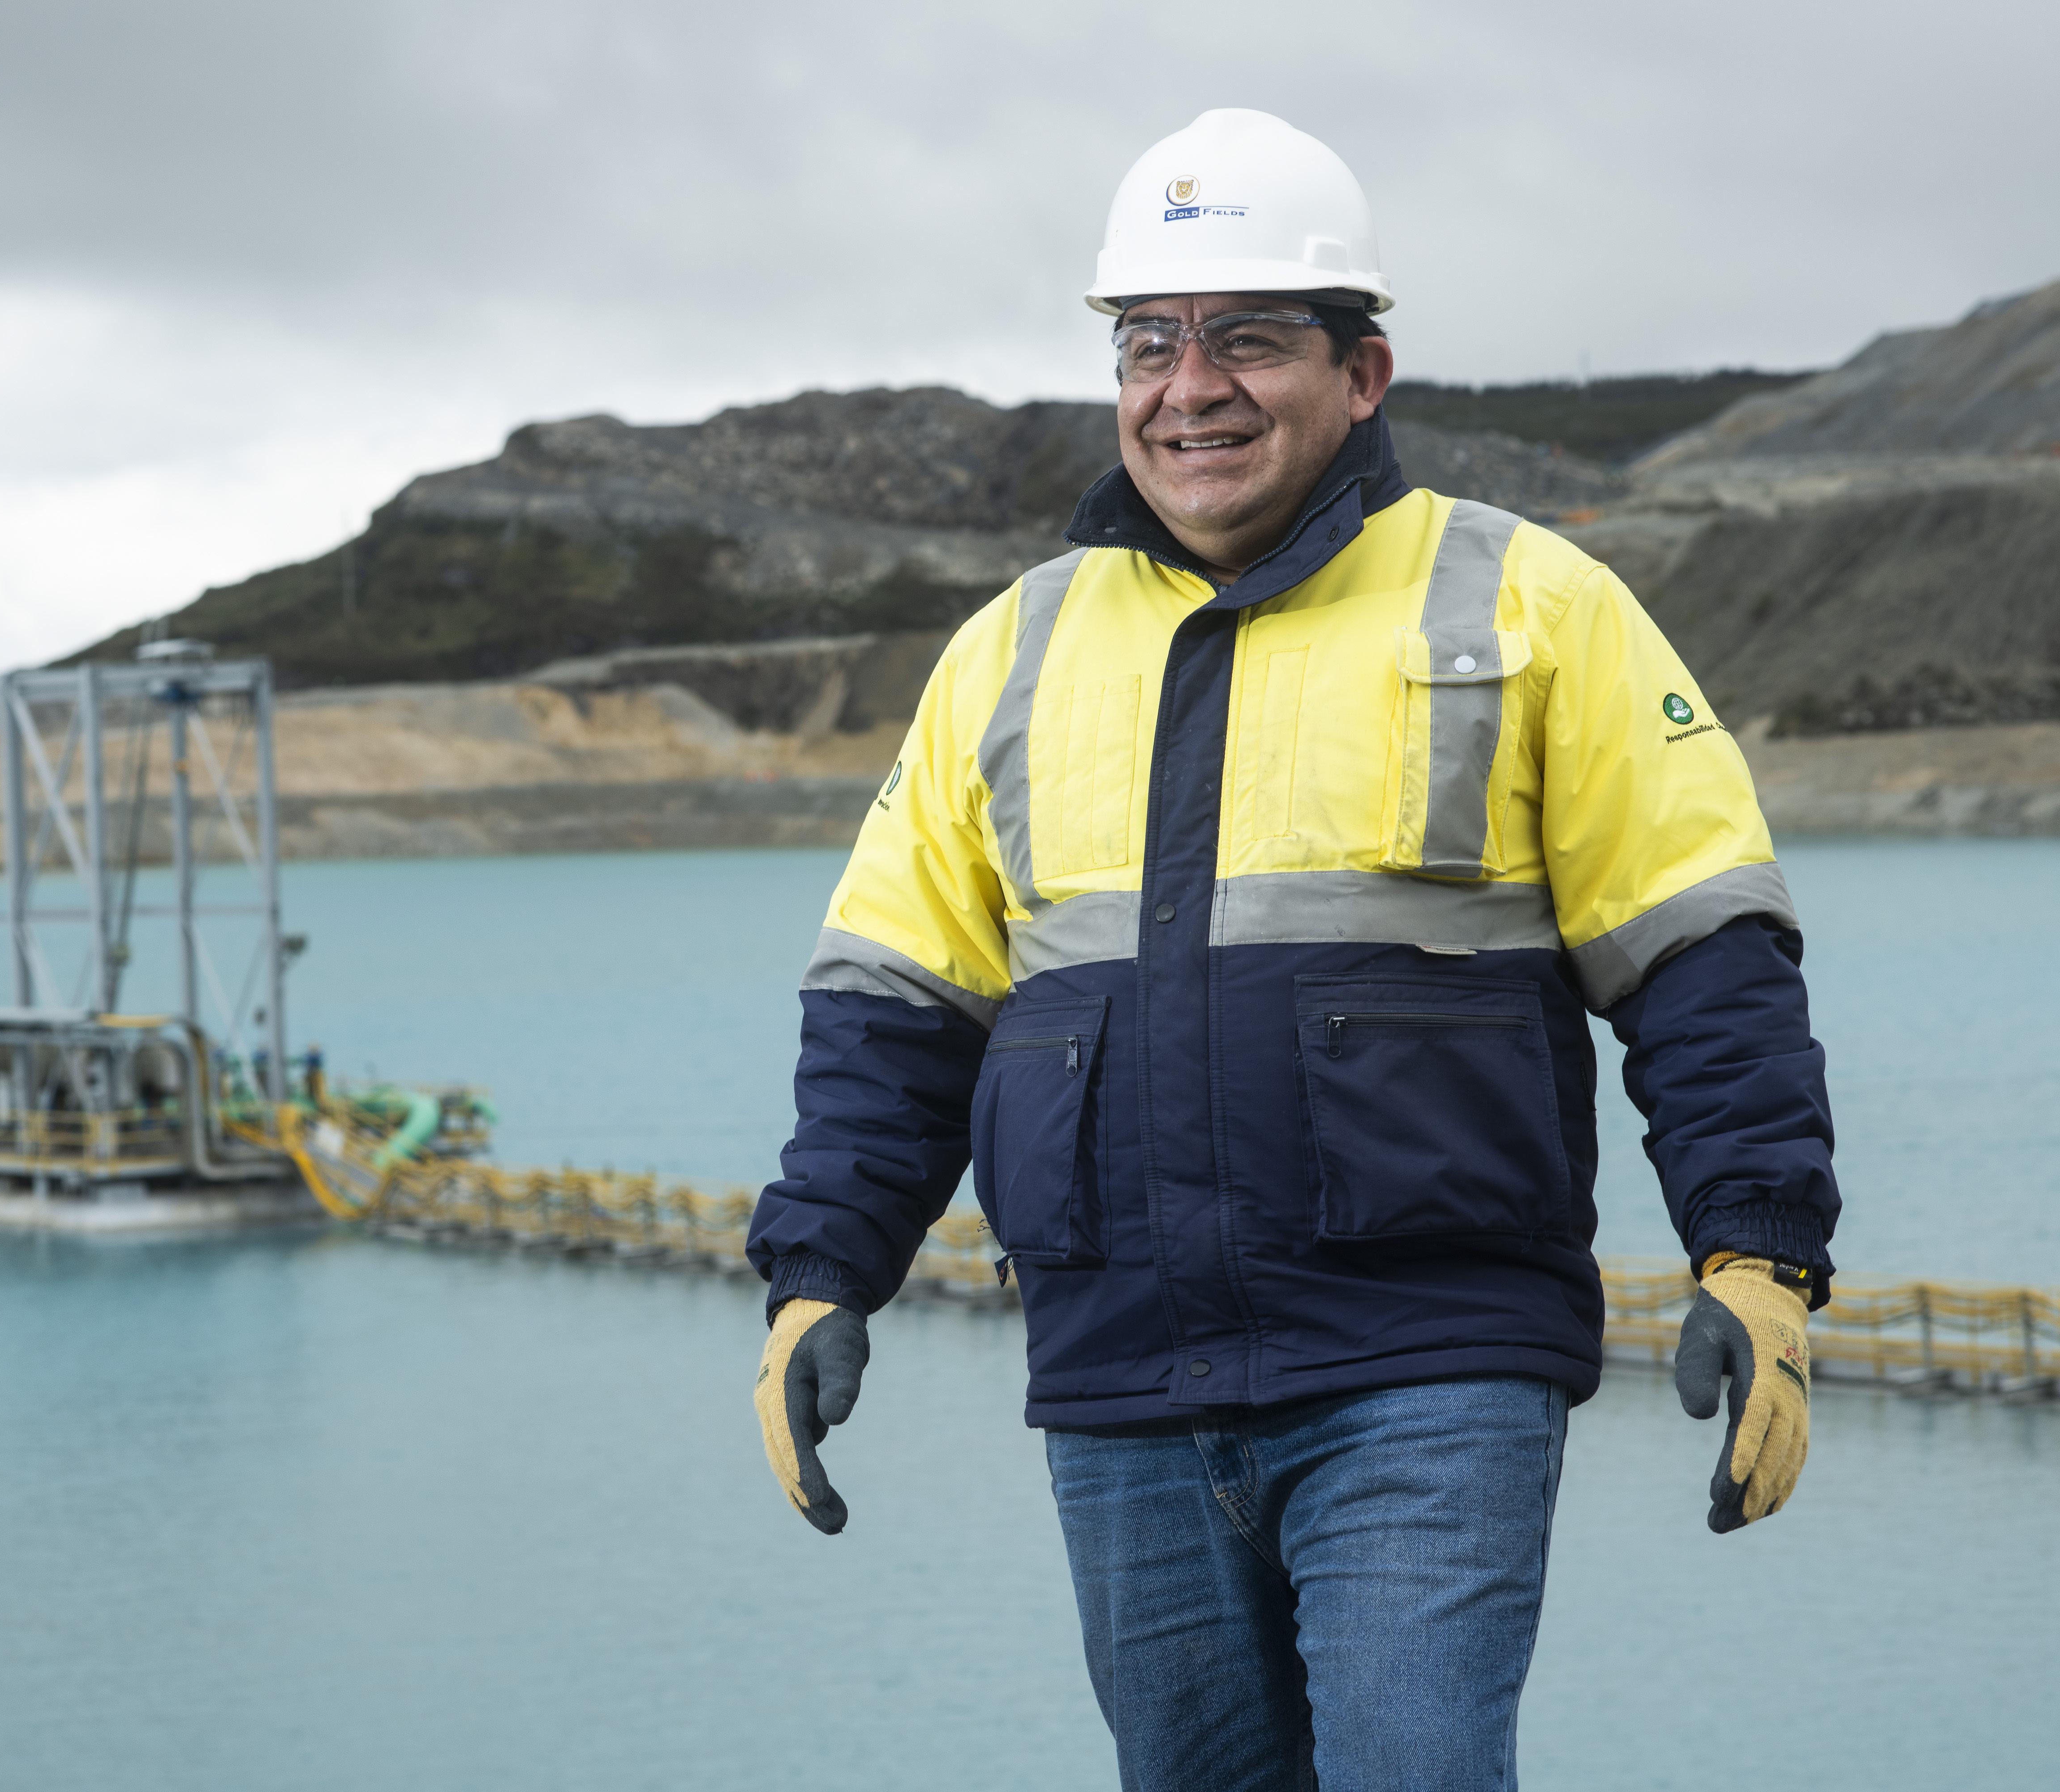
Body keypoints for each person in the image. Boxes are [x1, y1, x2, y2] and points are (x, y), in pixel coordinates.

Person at [745, 108, 1837, 1788]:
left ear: (1364, 371)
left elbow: (1703, 956)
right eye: (1149, 344)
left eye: (1249, 339)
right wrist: (822, 1270)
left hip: (1431, 1368)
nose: (1191, 389)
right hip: (1122, 1381)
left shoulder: (1533, 604)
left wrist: (1755, 1253)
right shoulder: (1010, 651)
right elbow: (896, 1006)